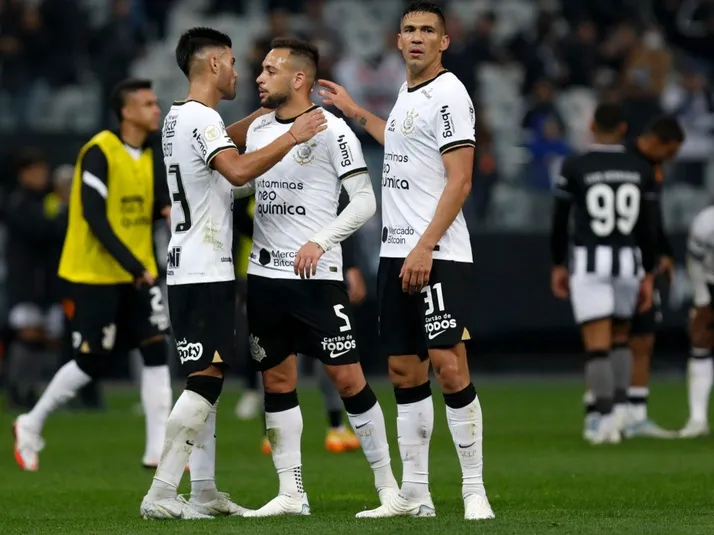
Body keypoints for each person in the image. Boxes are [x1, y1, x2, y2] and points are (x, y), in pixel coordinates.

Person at [139, 27, 326, 520]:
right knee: (204, 379)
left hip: (191, 263)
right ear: (214, 63)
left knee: (210, 377)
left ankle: (203, 490)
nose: (241, 73)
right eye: (234, 62)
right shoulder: (203, 120)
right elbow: (238, 172)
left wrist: (264, 117)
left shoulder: (180, 116)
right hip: (203, 267)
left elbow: (220, 169)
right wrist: (291, 134)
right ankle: (160, 493)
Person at [319, 2, 494, 520]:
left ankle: (474, 490)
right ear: (398, 40)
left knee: (448, 365)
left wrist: (424, 246)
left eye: (427, 30)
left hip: (437, 251)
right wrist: (355, 111)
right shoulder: (408, 93)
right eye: (409, 30)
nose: (417, 37)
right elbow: (398, 142)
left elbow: (461, 179)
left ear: (444, 41)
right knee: (402, 369)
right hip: (395, 252)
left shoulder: (450, 93)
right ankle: (416, 495)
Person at [232, 37, 398, 518]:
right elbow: (244, 183)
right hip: (264, 276)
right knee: (277, 380)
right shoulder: (259, 128)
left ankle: (390, 489)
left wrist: (321, 242)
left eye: (270, 70)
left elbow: (365, 200)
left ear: (299, 78)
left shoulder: (332, 129)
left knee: (348, 379)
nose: (259, 77)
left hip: (317, 277)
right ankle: (292, 493)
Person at [12, 80, 174, 472]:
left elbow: (152, 206)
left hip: (139, 272)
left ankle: (158, 451)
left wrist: (166, 213)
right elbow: (94, 217)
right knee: (90, 360)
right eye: (148, 104)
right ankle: (31, 422)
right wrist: (135, 265)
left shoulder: (151, 152)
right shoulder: (99, 151)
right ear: (126, 112)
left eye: (156, 103)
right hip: (95, 273)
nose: (157, 110)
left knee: (155, 349)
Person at [550, 102, 658, 444]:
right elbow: (649, 227)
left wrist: (558, 263)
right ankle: (622, 412)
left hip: (589, 261)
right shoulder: (640, 167)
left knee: (597, 345)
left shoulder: (575, 165)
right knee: (621, 339)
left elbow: (560, 221)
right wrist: (648, 272)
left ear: (592, 126)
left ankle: (603, 418)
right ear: (624, 129)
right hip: (628, 262)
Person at [580, 116, 684, 439]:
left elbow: (653, 219)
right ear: (659, 141)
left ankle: (623, 412)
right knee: (615, 338)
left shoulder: (642, 165)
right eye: (671, 151)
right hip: (625, 261)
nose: (672, 158)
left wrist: (664, 253)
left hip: (630, 260)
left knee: (632, 337)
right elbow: (644, 221)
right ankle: (606, 412)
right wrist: (650, 264)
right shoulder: (631, 165)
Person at [3, 150, 66, 410]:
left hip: (47, 282)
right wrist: (61, 215)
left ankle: (30, 388)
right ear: (23, 174)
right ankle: (16, 388)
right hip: (25, 282)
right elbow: (40, 229)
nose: (42, 175)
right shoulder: (18, 202)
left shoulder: (46, 201)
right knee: (28, 332)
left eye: (43, 170)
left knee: (44, 337)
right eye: (36, 171)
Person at [679, 205, 714, 438]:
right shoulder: (706, 222)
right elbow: (694, 261)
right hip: (711, 283)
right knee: (701, 343)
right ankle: (698, 418)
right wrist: (702, 301)